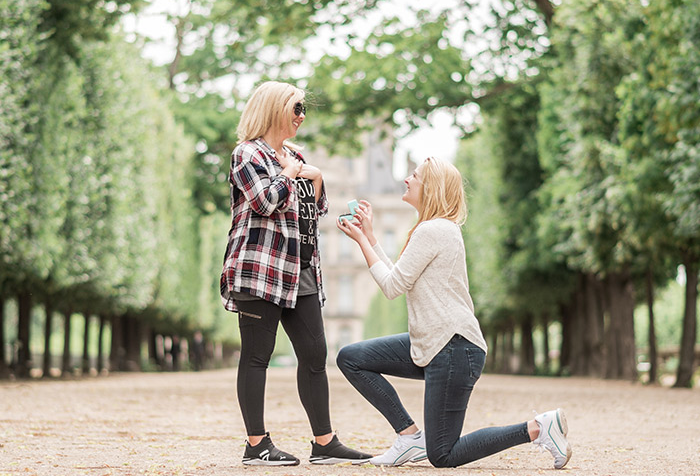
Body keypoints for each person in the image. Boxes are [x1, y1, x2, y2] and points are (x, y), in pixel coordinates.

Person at [335, 157, 572, 469]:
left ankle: (539, 428)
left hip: (453, 349)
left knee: (443, 454)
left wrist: (362, 241)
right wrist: (371, 236)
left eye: (415, 176)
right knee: (352, 357)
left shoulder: (433, 230)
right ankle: (408, 437)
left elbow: (392, 287)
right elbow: (401, 277)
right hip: (435, 343)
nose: (407, 179)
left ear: (430, 188)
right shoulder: (434, 229)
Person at [219, 81, 372, 466]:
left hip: (300, 270)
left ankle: (324, 442)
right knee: (257, 355)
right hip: (260, 269)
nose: (302, 117)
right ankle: (256, 444)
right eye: (296, 108)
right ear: (274, 110)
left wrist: (317, 183)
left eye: (304, 109)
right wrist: (289, 173)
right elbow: (265, 202)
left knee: (315, 355)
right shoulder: (246, 154)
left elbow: (311, 214)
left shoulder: (296, 154)